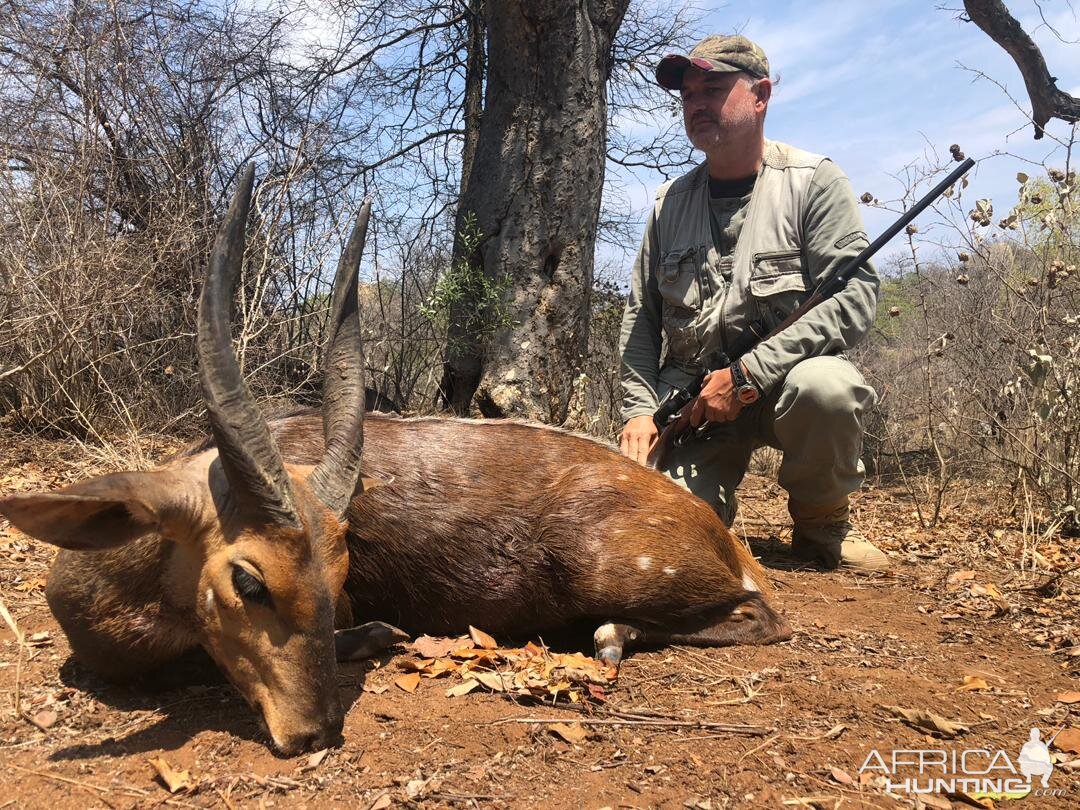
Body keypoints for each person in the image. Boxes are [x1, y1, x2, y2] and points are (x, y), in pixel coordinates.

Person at [617, 34, 888, 571]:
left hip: (780, 385)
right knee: (663, 541)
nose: (696, 103)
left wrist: (747, 375)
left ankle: (821, 525)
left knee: (828, 388)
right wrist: (640, 410)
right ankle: (709, 513)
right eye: (687, 94)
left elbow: (855, 295)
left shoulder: (813, 183)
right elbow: (640, 320)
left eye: (712, 88)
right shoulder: (667, 204)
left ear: (760, 95)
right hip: (693, 404)